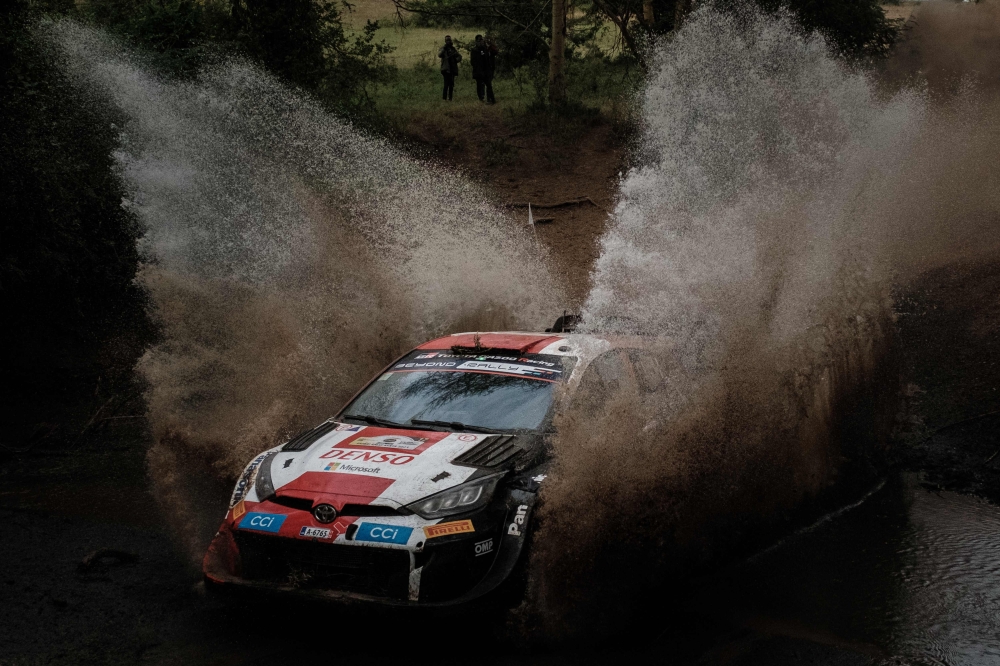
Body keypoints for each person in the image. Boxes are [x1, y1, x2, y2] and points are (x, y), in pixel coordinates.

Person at [470, 34, 496, 104]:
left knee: (488, 85)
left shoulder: (485, 49)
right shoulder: (474, 50)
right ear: (476, 41)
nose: (481, 42)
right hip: (479, 70)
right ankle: (481, 98)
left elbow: (488, 58)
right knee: (480, 85)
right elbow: (472, 62)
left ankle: (491, 99)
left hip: (486, 70)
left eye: (481, 40)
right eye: (479, 40)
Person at [438, 35, 461, 101]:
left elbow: (459, 56)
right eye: (447, 40)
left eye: (449, 40)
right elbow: (439, 55)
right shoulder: (443, 48)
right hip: (445, 69)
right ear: (445, 41)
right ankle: (444, 98)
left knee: (451, 85)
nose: (448, 41)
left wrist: (456, 60)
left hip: (452, 69)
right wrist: (444, 49)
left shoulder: (453, 49)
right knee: (446, 84)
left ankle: (450, 98)